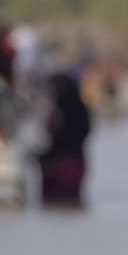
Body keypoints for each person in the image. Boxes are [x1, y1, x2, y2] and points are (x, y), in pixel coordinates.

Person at [38, 70, 93, 208]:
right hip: (76, 163)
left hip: (61, 167)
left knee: (54, 205)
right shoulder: (81, 109)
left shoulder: (63, 107)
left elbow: (54, 132)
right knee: (71, 205)